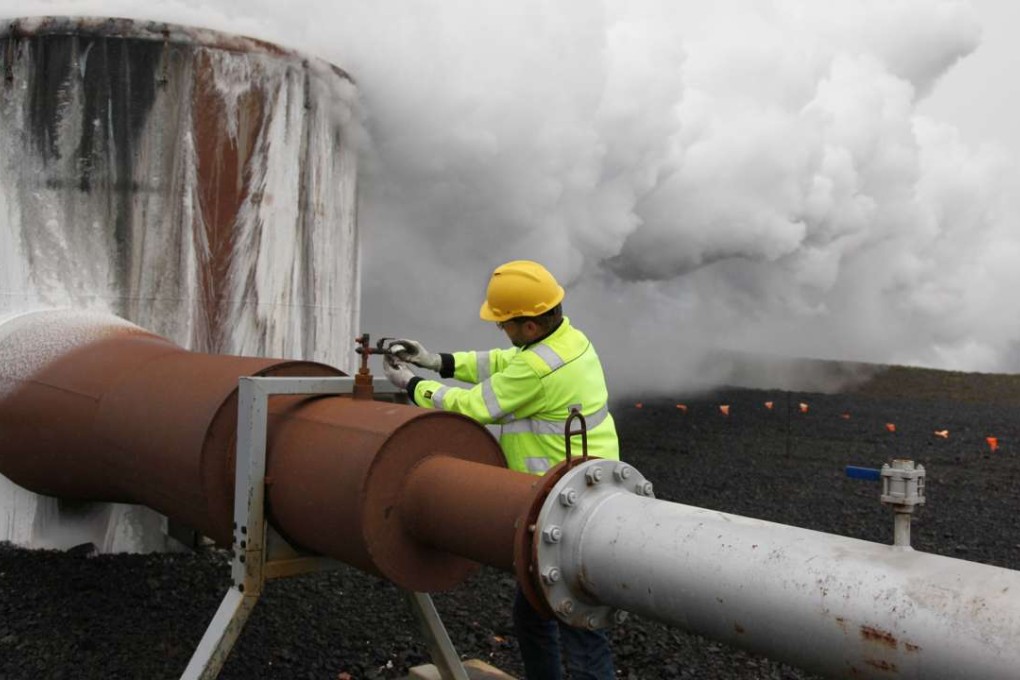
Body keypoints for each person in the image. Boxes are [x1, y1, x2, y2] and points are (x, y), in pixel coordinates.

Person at [383, 259, 618, 680]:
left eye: (504, 324)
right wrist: (437, 360)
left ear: (530, 326)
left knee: (578, 626)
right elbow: (501, 364)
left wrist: (412, 385)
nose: (502, 332)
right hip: (580, 489)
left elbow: (474, 407)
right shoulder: (568, 341)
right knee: (536, 615)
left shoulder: (536, 368)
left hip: (566, 504)